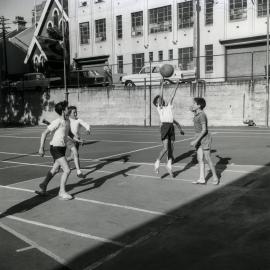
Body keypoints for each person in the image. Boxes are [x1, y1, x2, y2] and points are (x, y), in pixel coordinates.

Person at [35, 101, 79, 200]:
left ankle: (43, 185)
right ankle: (62, 192)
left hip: (62, 148)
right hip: (55, 148)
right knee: (67, 170)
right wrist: (41, 148)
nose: (69, 109)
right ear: (63, 111)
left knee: (55, 169)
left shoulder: (67, 120)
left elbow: (69, 133)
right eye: (67, 108)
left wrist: (77, 139)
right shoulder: (57, 121)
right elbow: (44, 133)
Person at [153, 80, 184, 177]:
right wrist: (162, 85)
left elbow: (172, 95)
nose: (160, 99)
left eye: (161, 99)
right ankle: (157, 162)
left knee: (171, 148)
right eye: (158, 99)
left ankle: (169, 165)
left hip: (171, 127)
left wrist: (177, 85)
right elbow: (161, 93)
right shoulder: (160, 107)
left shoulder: (169, 106)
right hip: (165, 127)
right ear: (157, 103)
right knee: (166, 147)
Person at [190, 97, 219, 185]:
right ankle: (202, 179)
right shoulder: (196, 114)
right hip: (198, 137)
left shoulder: (202, 115)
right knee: (199, 159)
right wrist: (193, 109)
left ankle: (215, 176)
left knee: (207, 158)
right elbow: (191, 109)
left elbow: (204, 130)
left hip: (205, 138)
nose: (192, 105)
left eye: (194, 103)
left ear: (199, 106)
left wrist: (195, 141)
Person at [66, 106, 91, 178]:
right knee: (76, 153)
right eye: (74, 112)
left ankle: (62, 162)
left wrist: (88, 130)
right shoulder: (67, 120)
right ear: (70, 113)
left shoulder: (78, 120)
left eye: (76, 112)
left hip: (77, 140)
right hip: (69, 139)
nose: (75, 114)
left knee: (72, 156)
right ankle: (79, 172)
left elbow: (86, 125)